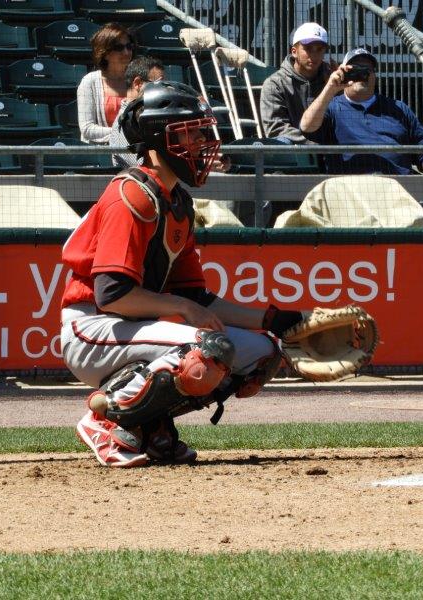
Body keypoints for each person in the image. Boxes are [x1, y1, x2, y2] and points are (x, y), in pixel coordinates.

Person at [59, 81, 301, 467]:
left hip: (128, 328)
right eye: (188, 132)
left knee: (262, 352)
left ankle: (149, 427)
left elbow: (198, 298)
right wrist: (184, 311)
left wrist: (278, 320)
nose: (201, 142)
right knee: (208, 348)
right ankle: (104, 419)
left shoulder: (177, 201)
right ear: (157, 137)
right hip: (92, 326)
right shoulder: (131, 193)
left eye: (200, 131)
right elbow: (112, 293)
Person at [300, 47, 423, 228]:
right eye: (355, 70)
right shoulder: (332, 107)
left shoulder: (398, 108)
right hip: (353, 190)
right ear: (344, 73)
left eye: (367, 71)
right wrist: (331, 88)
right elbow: (307, 127)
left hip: (401, 188)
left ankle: (418, 247)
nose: (362, 75)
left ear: (375, 76)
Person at [259, 22, 333, 146]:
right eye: (308, 49)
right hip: (297, 151)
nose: (314, 55)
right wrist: (316, 146)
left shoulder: (333, 79)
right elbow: (276, 129)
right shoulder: (275, 83)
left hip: (332, 151)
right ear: (294, 51)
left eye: (319, 49)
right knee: (282, 142)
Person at [77, 22, 134, 144]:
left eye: (129, 46)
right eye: (119, 48)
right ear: (104, 53)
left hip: (134, 153)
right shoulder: (89, 82)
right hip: (100, 155)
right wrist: (126, 134)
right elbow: (87, 129)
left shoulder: (137, 80)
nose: (126, 52)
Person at [109, 55, 165, 168]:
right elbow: (141, 165)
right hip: (140, 184)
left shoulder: (147, 115)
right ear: (138, 83)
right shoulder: (124, 123)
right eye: (159, 84)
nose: (163, 90)